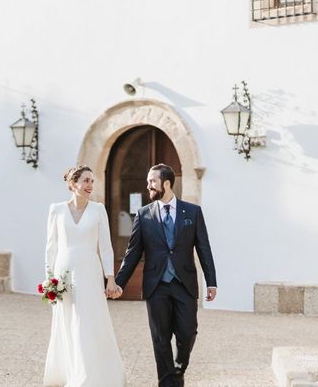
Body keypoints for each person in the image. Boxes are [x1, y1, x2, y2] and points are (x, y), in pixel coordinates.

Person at [111, 163, 217, 387]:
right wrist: (119, 283)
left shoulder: (193, 212)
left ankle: (178, 370)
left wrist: (211, 282)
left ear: (166, 183)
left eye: (152, 181)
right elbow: (132, 254)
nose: (148, 185)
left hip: (184, 283)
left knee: (188, 333)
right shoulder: (144, 215)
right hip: (156, 285)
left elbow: (204, 248)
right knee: (160, 338)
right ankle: (168, 383)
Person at [43, 165, 126, 387]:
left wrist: (110, 277)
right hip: (63, 273)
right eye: (86, 180)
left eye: (92, 180)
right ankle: (67, 374)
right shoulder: (57, 210)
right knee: (67, 321)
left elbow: (106, 247)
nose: (90, 185)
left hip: (89, 271)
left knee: (89, 321)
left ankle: (90, 376)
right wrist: (49, 280)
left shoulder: (98, 210)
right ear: (73, 184)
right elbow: (51, 247)